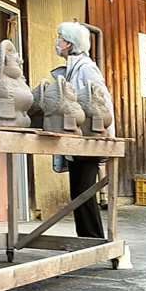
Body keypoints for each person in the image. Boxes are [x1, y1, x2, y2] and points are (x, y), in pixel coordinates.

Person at [54, 21, 113, 238]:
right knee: (79, 193)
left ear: (69, 43)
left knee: (83, 192)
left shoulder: (86, 68)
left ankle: (94, 240)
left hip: (89, 139)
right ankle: (88, 240)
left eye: (59, 37)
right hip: (78, 140)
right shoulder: (72, 69)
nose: (57, 41)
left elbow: (104, 102)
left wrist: (107, 138)